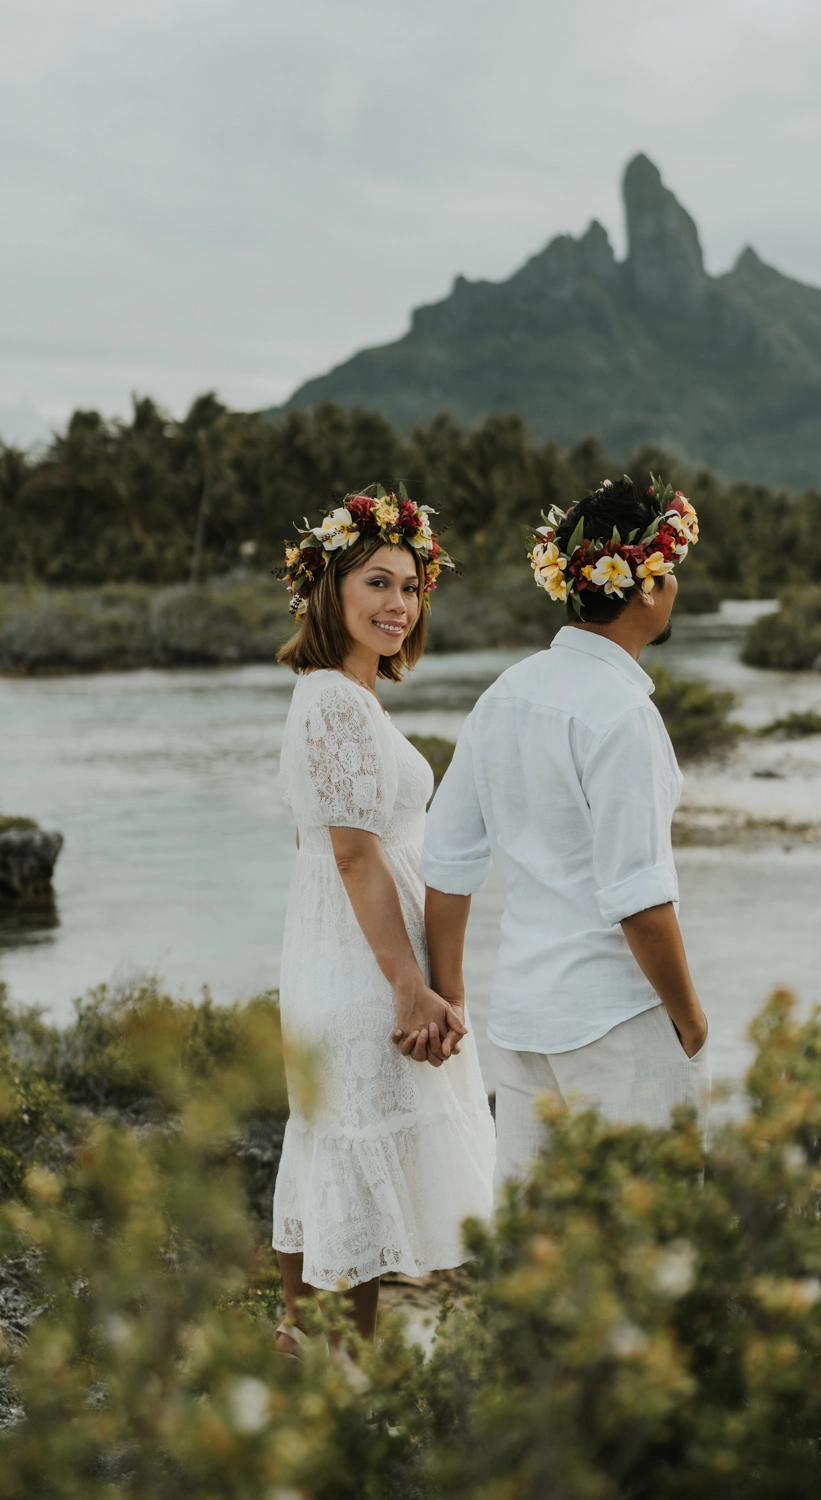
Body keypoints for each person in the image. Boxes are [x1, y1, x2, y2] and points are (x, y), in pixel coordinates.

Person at [420, 476, 709, 1189]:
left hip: (522, 1020)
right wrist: (690, 1019)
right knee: (651, 1251)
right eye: (671, 571)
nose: (676, 586)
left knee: (536, 1260)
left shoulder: (505, 694)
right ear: (645, 585)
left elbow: (448, 862)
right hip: (617, 1017)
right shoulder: (622, 714)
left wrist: (453, 995)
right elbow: (638, 899)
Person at [270, 489, 495, 1354]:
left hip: (358, 955)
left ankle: (310, 1358)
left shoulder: (348, 698)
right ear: (330, 589)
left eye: (410, 586)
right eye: (377, 582)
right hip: (364, 967)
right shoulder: (330, 700)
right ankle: (337, 1373)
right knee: (350, 1164)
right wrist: (410, 984)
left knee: (339, 1153)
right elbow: (351, 856)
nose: (399, 604)